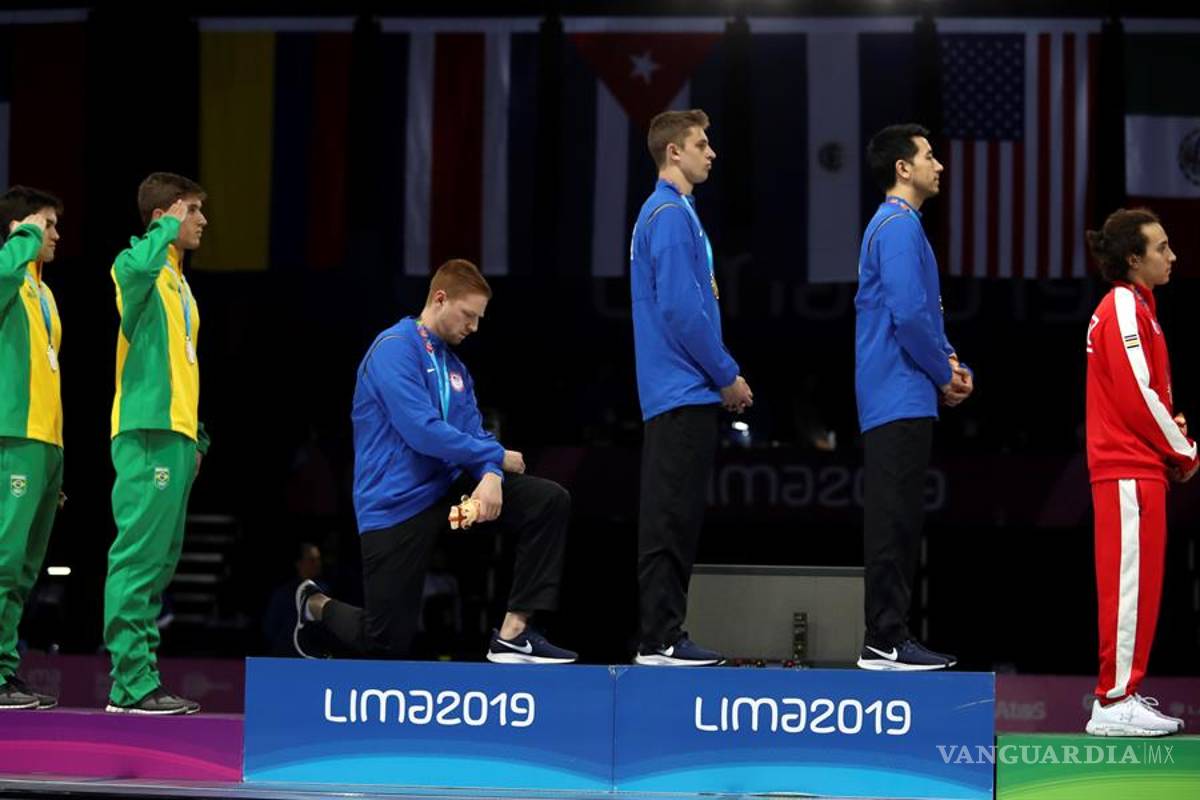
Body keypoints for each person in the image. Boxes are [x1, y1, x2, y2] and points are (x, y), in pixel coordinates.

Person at [294, 259, 576, 665]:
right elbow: (422, 432)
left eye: (479, 319)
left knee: (547, 502)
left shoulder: (456, 368)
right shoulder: (393, 349)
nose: (474, 327)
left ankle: (514, 634)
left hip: (451, 505)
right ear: (440, 299)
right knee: (386, 641)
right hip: (396, 508)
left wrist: (491, 475)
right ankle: (315, 605)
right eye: (468, 315)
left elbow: (476, 434)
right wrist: (497, 457)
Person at [629, 109, 752, 666]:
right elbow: (682, 309)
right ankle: (660, 637)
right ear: (673, 152)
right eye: (702, 144)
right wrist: (726, 374)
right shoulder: (669, 215)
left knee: (674, 517)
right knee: (671, 518)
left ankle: (662, 634)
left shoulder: (673, 213)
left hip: (678, 388)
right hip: (682, 388)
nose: (712, 152)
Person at [854, 124, 971, 671]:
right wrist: (944, 373)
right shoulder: (897, 226)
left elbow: (923, 315)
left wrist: (951, 365)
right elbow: (907, 316)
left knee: (901, 520)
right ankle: (884, 639)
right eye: (929, 156)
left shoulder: (903, 226)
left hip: (906, 391)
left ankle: (889, 634)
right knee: (893, 521)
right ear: (903, 168)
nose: (939, 165)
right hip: (896, 393)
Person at [1083, 208, 1197, 737]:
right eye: (1162, 247)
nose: (1172, 256)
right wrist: (1184, 451)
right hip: (1126, 467)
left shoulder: (1141, 308)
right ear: (1134, 258)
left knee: (1141, 587)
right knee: (1128, 587)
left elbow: (1149, 396)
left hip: (1140, 467)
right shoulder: (1124, 305)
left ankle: (1122, 693)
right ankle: (1113, 700)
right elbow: (1136, 396)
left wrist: (1170, 436)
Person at [103, 173, 210, 714]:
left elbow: (182, 366)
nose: (202, 221)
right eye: (193, 210)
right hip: (146, 431)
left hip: (175, 435)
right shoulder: (134, 267)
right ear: (166, 214)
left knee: (160, 565)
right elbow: (139, 266)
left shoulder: (178, 283)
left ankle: (142, 678)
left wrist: (197, 435)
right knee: (138, 559)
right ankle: (128, 684)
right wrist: (164, 226)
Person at [0, 187, 64, 710]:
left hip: (45, 444)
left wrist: (53, 462)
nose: (56, 234)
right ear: (20, 229)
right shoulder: (7, 277)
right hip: (13, 436)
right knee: (3, 561)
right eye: (47, 224)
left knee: (23, 571)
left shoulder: (42, 292)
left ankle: (5, 667)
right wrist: (23, 236)